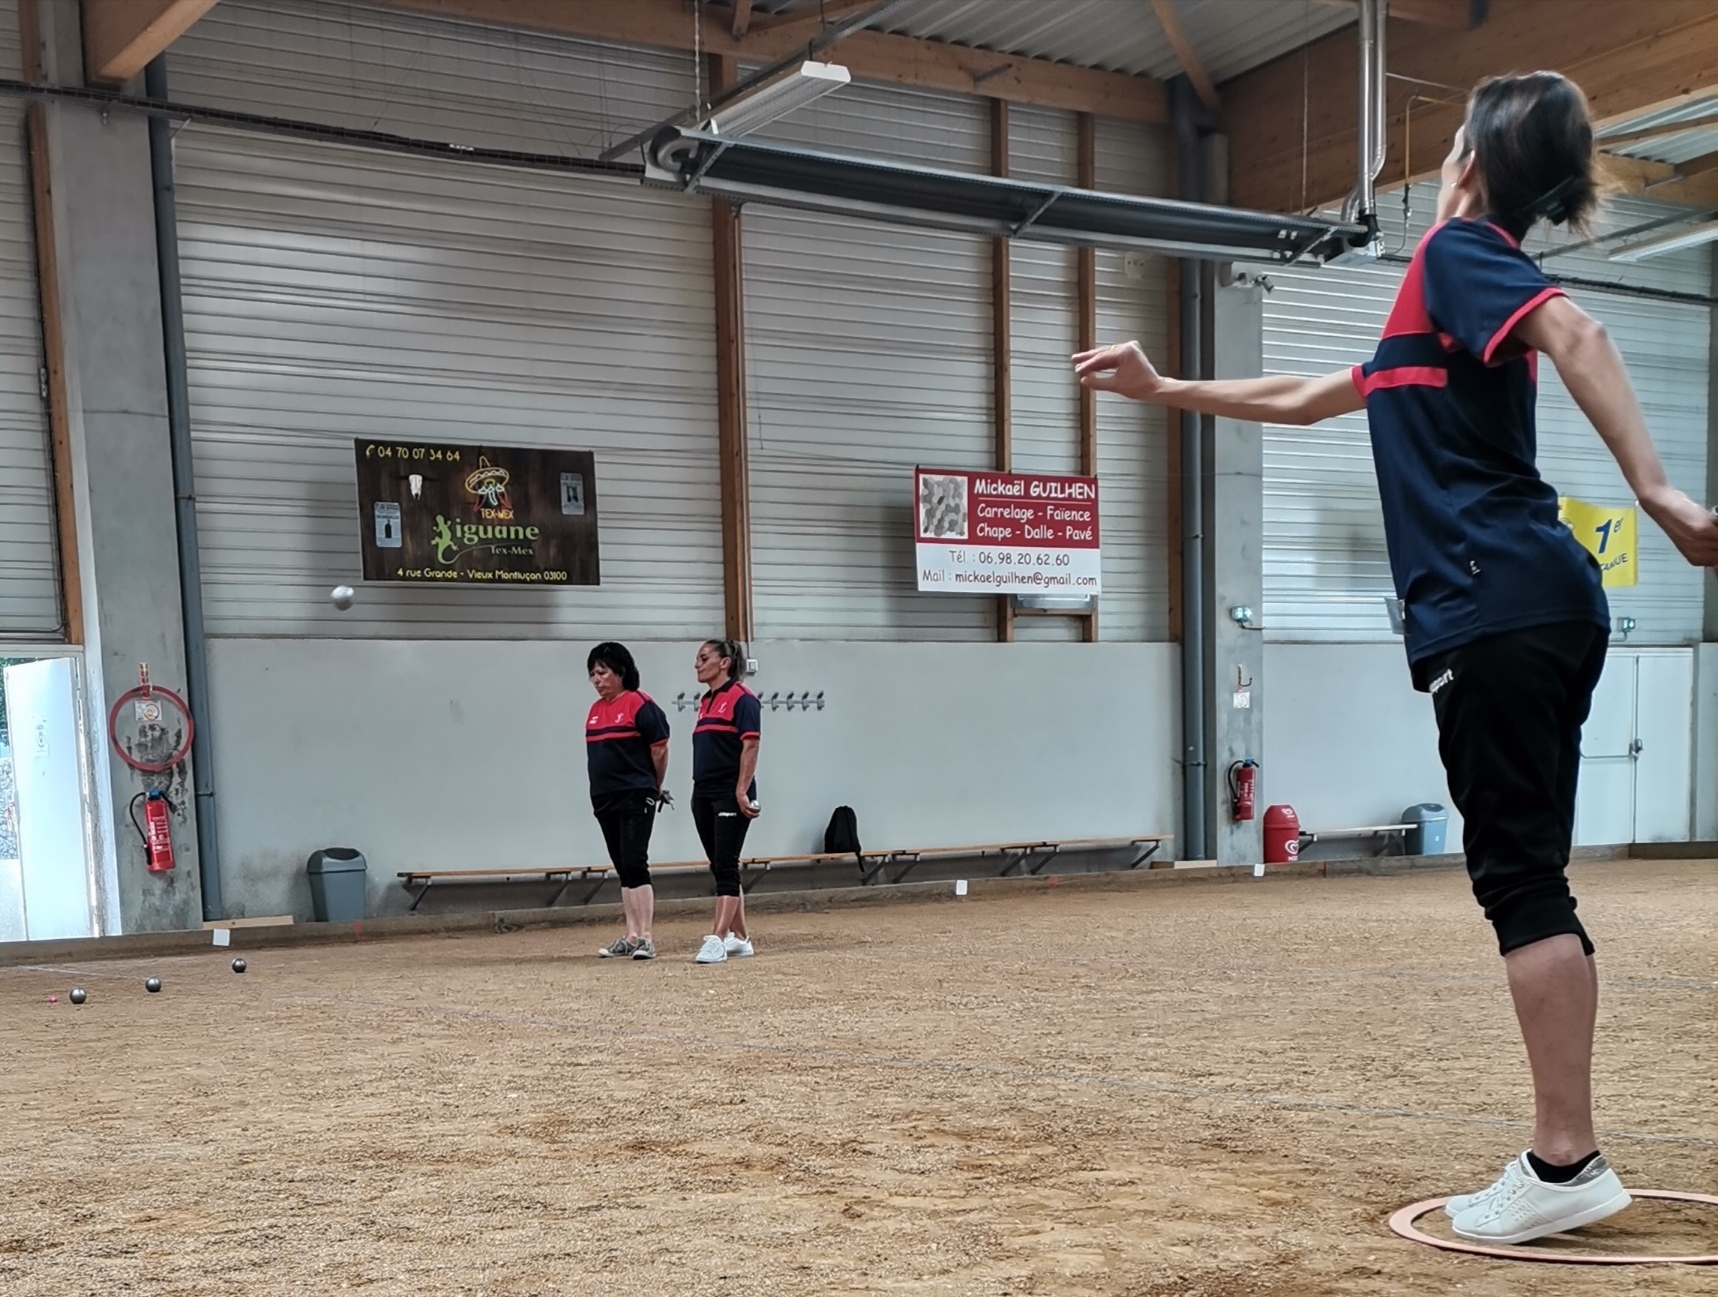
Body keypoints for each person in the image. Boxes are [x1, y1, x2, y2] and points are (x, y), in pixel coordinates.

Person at [1072, 71, 1718, 1246]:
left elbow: (1581, 327)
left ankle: (1563, 1161)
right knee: (1533, 879)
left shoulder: (1457, 257)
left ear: (1466, 165)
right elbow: (1316, 392)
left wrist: (1660, 495)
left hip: (1492, 606)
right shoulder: (1439, 318)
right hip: (1536, 602)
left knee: (1519, 885)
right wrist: (1165, 386)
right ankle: (1564, 1154)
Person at [584, 642, 670, 961]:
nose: (597, 679)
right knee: (623, 866)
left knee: (635, 862)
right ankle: (631, 935)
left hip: (636, 793)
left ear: (620, 672)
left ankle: (646, 937)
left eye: (603, 672)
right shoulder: (595, 710)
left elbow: (659, 749)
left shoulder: (639, 704)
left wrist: (654, 786)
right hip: (605, 798)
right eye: (593, 673)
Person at [689, 638, 761, 964]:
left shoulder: (742, 699)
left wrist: (742, 790)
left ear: (724, 663)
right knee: (719, 865)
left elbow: (750, 746)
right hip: (703, 792)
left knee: (727, 864)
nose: (697, 664)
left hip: (730, 793)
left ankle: (717, 938)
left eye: (704, 658)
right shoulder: (706, 701)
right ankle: (742, 938)